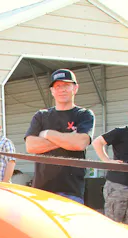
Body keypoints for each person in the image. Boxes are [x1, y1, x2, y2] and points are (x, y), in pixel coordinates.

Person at [24, 69, 95, 204]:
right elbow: (31, 146)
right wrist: (68, 139)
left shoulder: (84, 115)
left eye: (66, 85)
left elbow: (80, 143)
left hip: (71, 191)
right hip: (41, 191)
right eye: (58, 86)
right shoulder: (41, 116)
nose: (62, 90)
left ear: (75, 88)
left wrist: (47, 134)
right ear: (52, 91)